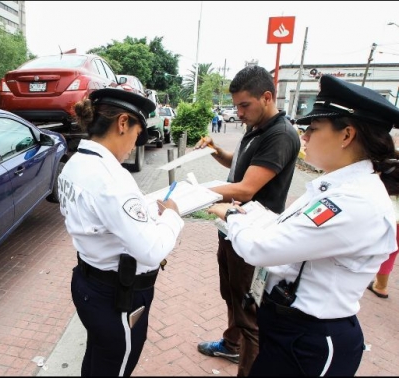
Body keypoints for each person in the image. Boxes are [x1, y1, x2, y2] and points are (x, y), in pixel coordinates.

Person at [206, 74, 399, 376]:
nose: (304, 136)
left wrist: (230, 216)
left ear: (346, 135)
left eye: (314, 128)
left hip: (311, 338)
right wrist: (243, 214)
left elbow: (262, 249)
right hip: (290, 328)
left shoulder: (354, 201)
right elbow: (284, 227)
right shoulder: (335, 187)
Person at [57, 88, 185, 376]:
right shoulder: (111, 178)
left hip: (89, 282)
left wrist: (146, 209)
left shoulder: (76, 163)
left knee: (97, 359)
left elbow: (105, 218)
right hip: (118, 297)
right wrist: (173, 217)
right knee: (114, 366)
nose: (134, 144)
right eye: (138, 134)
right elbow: (151, 249)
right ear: (123, 123)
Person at [194, 65, 301, 376]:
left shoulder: (280, 135)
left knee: (248, 311)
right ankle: (231, 344)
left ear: (266, 97)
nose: (238, 113)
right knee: (231, 294)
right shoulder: (256, 128)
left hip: (254, 235)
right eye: (235, 105)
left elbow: (246, 188)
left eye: (244, 105)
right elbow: (239, 165)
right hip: (232, 228)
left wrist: (196, 192)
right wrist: (216, 151)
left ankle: (247, 366)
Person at [367, 194, 399, 298]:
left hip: (393, 215)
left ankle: (380, 286)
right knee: (393, 251)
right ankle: (380, 286)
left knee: (388, 250)